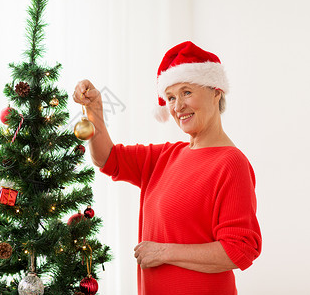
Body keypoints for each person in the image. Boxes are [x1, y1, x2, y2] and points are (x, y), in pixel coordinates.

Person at [73, 41, 262, 295]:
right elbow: (107, 158)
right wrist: (94, 110)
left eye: (186, 92)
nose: (177, 106)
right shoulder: (165, 156)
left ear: (216, 91)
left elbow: (239, 250)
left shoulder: (231, 163)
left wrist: (163, 252)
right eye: (171, 97)